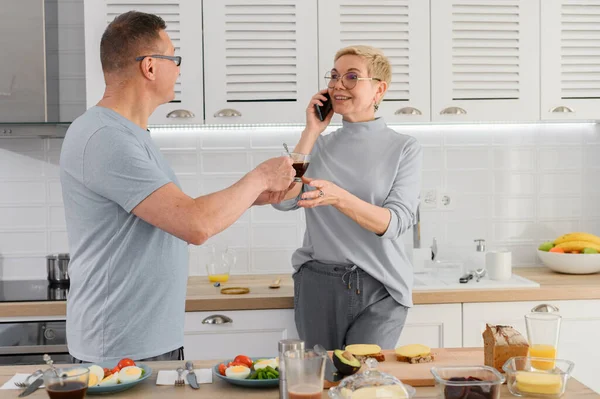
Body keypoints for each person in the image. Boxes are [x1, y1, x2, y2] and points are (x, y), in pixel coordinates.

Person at [60, 11, 295, 363]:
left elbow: (178, 211)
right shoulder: (106, 138)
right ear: (150, 67)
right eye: (175, 58)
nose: (180, 69)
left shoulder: (129, 135)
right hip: (121, 350)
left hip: (144, 340)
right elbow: (194, 223)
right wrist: (260, 176)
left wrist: (254, 196)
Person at [273, 45, 422, 350]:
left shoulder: (404, 148)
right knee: (323, 383)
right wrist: (311, 132)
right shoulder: (319, 146)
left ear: (379, 90)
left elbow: (394, 223)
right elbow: (283, 199)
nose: (338, 85)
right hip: (318, 284)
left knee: (366, 384)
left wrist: (340, 198)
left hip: (380, 288)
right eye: (334, 76)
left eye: (352, 77)